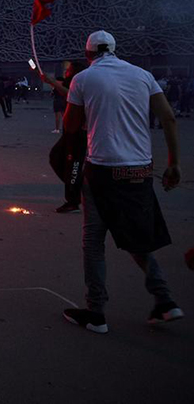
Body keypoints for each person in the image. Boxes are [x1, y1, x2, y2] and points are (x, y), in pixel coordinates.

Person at [62, 30, 183, 334]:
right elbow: (168, 117)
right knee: (137, 239)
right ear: (115, 50)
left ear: (88, 54)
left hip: (103, 171)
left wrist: (79, 105)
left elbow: (71, 126)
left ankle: (96, 312)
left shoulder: (83, 79)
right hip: (139, 171)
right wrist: (174, 164)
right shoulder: (142, 75)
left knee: (93, 243)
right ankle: (165, 300)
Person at [42, 61, 87, 213]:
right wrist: (46, 78)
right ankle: (79, 189)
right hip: (69, 131)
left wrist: (52, 81)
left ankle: (74, 200)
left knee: (73, 166)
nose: (66, 71)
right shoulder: (72, 82)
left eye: (69, 69)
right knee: (56, 157)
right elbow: (62, 87)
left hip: (79, 132)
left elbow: (69, 93)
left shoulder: (81, 83)